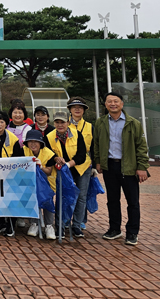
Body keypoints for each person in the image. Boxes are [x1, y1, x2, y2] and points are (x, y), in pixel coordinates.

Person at [94, 92, 149, 246]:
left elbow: (141, 146)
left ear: (122, 104)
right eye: (109, 101)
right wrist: (98, 162)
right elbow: (97, 144)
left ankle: (132, 232)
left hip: (129, 167)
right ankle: (114, 228)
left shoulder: (133, 123)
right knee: (112, 200)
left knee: (132, 201)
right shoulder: (101, 122)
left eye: (116, 101)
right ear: (105, 104)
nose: (113, 104)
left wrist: (142, 167)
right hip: (110, 166)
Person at [45, 111, 91, 239]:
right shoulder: (49, 137)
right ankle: (60, 225)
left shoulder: (77, 134)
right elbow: (48, 154)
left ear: (68, 123)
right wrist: (55, 159)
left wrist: (68, 164)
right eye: (57, 122)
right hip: (61, 170)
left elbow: (82, 155)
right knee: (61, 197)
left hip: (80, 168)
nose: (60, 125)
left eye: (63, 122)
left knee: (80, 196)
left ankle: (76, 225)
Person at [0, 110, 23, 236]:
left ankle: (11, 224)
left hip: (9, 174)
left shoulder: (13, 139)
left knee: (9, 198)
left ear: (6, 123)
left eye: (2, 122)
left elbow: (18, 158)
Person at [22, 129, 57, 240]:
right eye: (30, 141)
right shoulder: (23, 150)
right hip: (29, 182)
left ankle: (49, 225)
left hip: (46, 183)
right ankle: (34, 224)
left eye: (36, 141)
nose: (33, 144)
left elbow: (49, 171)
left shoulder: (49, 153)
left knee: (47, 200)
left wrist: (40, 166)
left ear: (41, 143)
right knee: (32, 201)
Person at [67, 97, 93, 230]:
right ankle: (66, 220)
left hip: (84, 165)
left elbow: (94, 146)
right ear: (70, 110)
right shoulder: (64, 125)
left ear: (84, 110)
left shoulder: (89, 126)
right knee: (68, 193)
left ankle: (78, 222)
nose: (77, 109)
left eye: (80, 107)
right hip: (68, 165)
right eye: (74, 107)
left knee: (82, 195)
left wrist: (95, 164)